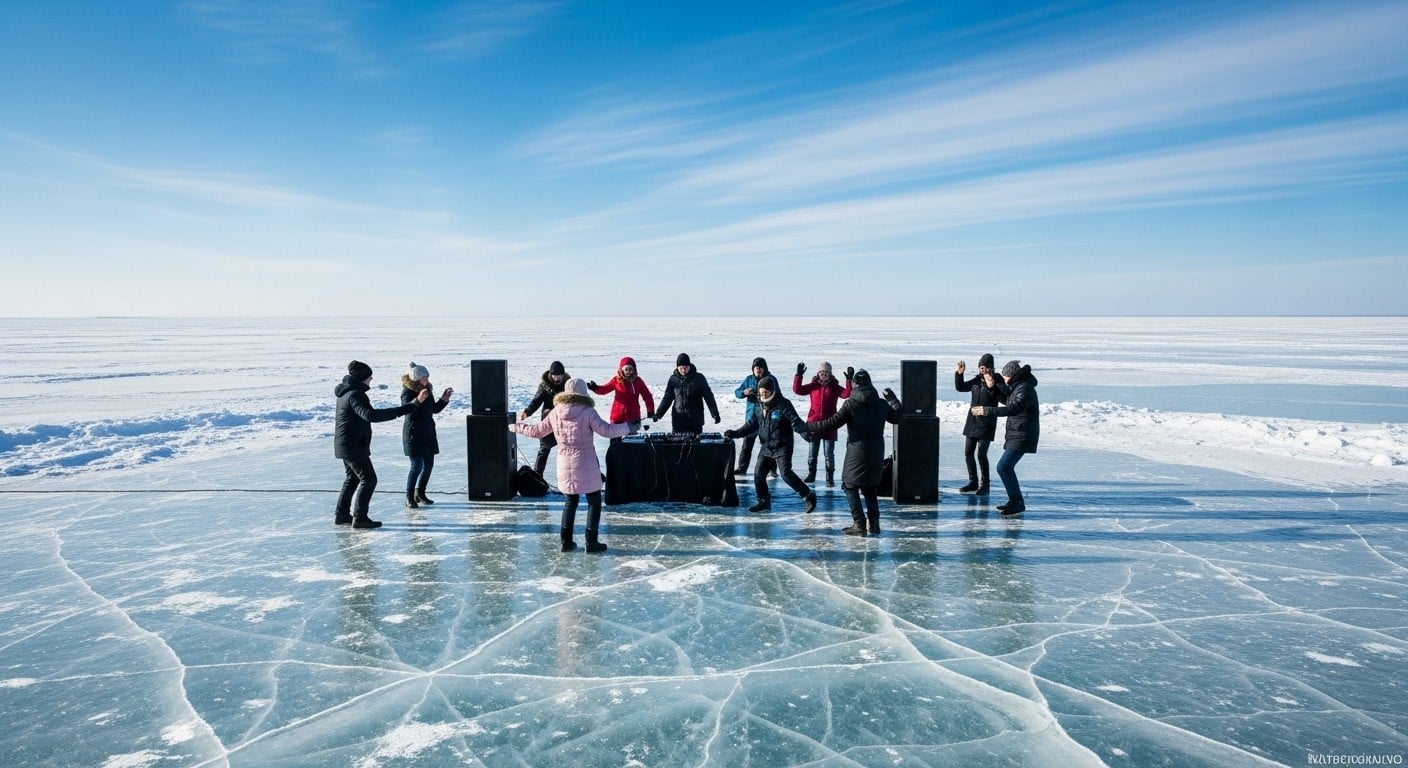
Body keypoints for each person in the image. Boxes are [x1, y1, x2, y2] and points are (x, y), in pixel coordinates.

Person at [511, 378, 630, 552]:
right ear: (583, 392)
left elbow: (537, 431)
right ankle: (591, 542)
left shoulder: (556, 411)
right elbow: (607, 430)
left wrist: (515, 427)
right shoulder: (588, 412)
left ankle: (566, 542)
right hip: (586, 462)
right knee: (594, 501)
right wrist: (628, 427)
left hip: (564, 462)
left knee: (570, 501)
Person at [804, 369, 901, 536]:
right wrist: (892, 399)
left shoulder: (851, 404)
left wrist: (808, 426)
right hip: (876, 451)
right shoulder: (882, 404)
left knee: (850, 485)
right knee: (869, 487)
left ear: (855, 385)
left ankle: (860, 523)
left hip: (857, 451)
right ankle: (875, 524)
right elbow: (898, 417)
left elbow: (831, 424)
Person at [334, 360, 426, 529]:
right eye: (369, 377)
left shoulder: (345, 393)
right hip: (353, 445)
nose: (371, 380)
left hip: (345, 444)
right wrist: (403, 409)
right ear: (362, 378)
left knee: (352, 479)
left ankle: (341, 514)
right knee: (369, 480)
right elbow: (370, 415)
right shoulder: (355, 394)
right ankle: (360, 518)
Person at [723, 375, 817, 514]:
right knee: (758, 474)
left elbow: (795, 421)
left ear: (772, 391)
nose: (763, 395)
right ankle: (763, 501)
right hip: (767, 446)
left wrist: (805, 434)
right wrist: (735, 433)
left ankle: (808, 496)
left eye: (765, 392)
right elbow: (751, 425)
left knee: (785, 474)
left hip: (782, 445)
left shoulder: (782, 404)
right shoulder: (758, 405)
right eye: (761, 393)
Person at [971, 360, 1039, 516]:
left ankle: (1017, 502)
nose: (1005, 379)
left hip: (1023, 434)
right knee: (1005, 467)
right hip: (1017, 432)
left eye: (1006, 376)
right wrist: (992, 387)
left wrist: (986, 410)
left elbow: (1013, 408)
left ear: (1012, 375)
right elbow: (1007, 401)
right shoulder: (1019, 387)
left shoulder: (1025, 389)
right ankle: (1015, 501)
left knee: (1004, 467)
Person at [400, 362, 453, 509]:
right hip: (413, 434)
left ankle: (420, 493)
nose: (427, 380)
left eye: (427, 377)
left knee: (428, 465)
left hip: (428, 433)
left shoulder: (427, 390)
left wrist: (444, 399)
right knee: (416, 466)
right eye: (424, 378)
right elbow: (406, 409)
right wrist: (418, 400)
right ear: (415, 379)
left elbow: (433, 410)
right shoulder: (408, 392)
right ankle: (409, 497)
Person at [792, 361, 853, 486]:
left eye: (826, 373)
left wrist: (849, 380)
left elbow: (847, 394)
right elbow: (797, 390)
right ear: (818, 374)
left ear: (830, 374)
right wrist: (798, 375)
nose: (823, 375)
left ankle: (829, 477)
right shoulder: (813, 386)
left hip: (830, 424)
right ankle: (811, 474)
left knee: (828, 454)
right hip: (813, 424)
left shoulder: (835, 387)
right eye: (821, 372)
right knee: (812, 454)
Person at [954, 353, 1002, 494]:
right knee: (968, 453)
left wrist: (991, 385)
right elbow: (961, 387)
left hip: (987, 423)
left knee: (981, 454)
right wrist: (959, 374)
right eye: (981, 368)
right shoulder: (976, 380)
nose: (983, 370)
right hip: (972, 422)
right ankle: (973, 482)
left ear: (991, 368)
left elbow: (1004, 397)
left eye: (985, 368)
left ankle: (985, 485)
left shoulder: (997, 380)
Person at [520, 360, 570, 475]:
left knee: (570, 449)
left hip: (565, 423)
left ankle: (574, 476)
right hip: (548, 422)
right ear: (551, 375)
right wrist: (528, 412)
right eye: (555, 376)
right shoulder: (545, 385)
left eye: (560, 376)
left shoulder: (568, 384)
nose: (557, 378)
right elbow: (537, 400)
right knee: (544, 449)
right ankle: (537, 475)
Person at [654, 353, 720, 434]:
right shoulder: (673, 380)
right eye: (681, 368)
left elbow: (709, 397)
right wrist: (658, 414)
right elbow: (667, 398)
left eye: (685, 367)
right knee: (677, 444)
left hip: (695, 420)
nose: (683, 370)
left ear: (689, 366)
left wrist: (715, 414)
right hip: (678, 419)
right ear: (677, 367)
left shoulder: (699, 378)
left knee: (695, 445)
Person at [589, 356, 655, 434]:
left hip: (633, 416)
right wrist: (595, 388)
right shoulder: (616, 380)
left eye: (630, 369)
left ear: (634, 369)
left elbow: (647, 396)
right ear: (622, 370)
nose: (628, 371)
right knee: (616, 440)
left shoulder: (638, 381)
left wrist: (650, 410)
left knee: (630, 441)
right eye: (626, 369)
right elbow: (604, 389)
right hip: (618, 417)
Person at [731, 357, 770, 475]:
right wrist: (744, 392)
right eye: (756, 368)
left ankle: (770, 469)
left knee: (768, 445)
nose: (758, 370)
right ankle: (742, 468)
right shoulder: (748, 379)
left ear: (764, 369)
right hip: (751, 418)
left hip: (765, 418)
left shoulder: (770, 379)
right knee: (747, 445)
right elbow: (737, 392)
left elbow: (776, 394)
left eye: (760, 368)